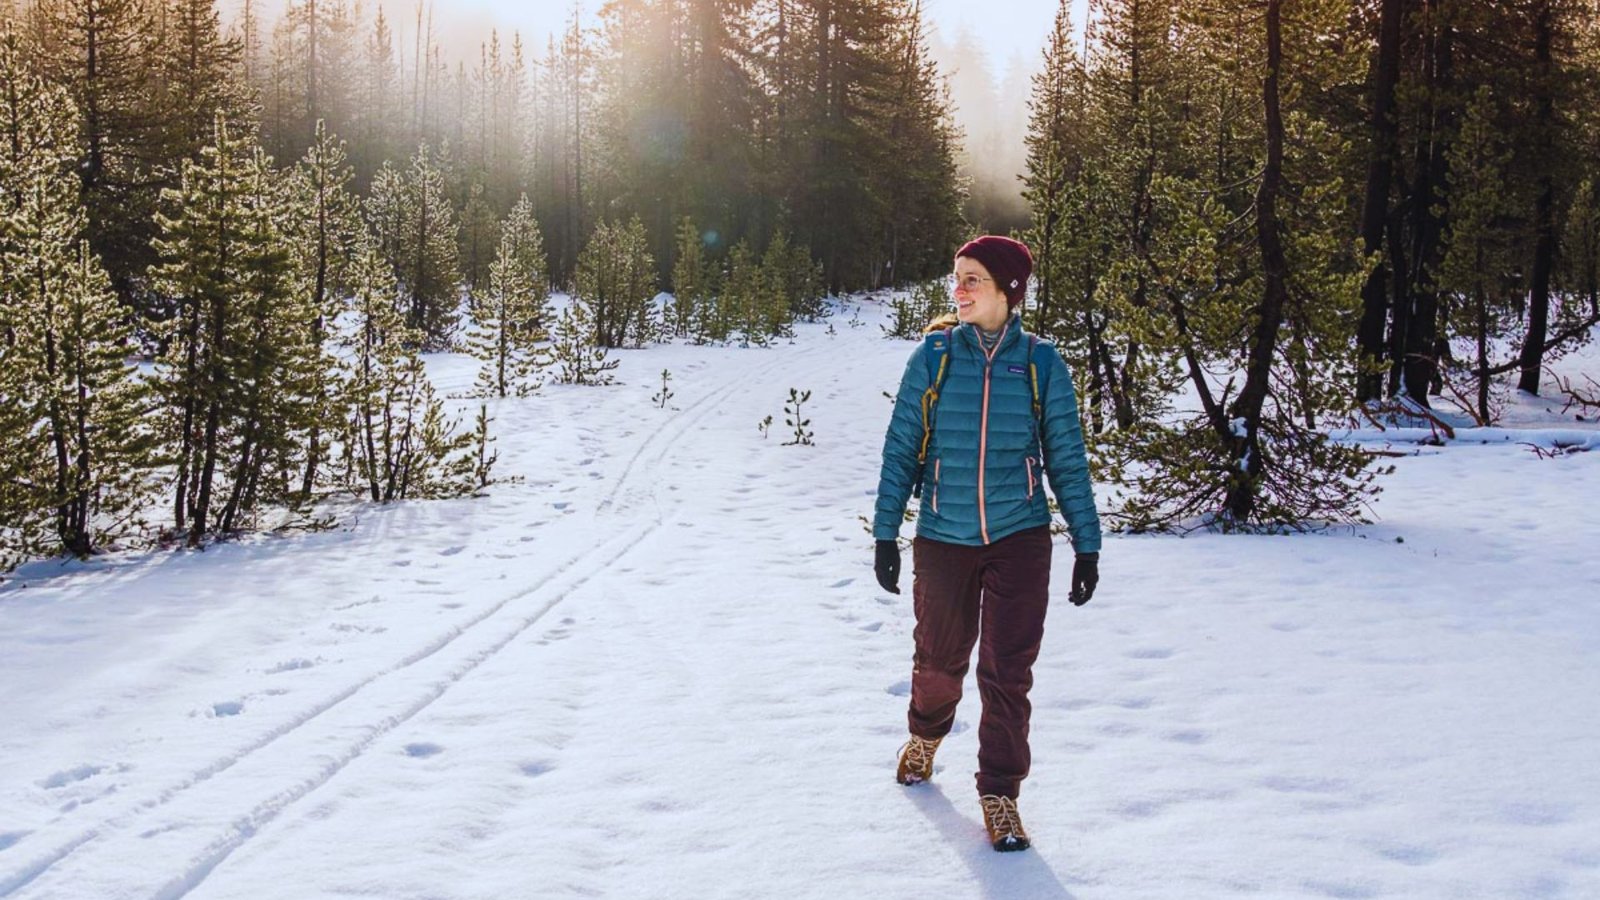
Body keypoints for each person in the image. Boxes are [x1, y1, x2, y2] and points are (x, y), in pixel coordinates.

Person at [872, 235, 1102, 852]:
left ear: (1009, 291)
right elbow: (902, 447)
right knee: (940, 662)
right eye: (957, 278)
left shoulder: (1041, 363)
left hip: (1020, 538)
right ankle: (925, 734)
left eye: (973, 279)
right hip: (944, 537)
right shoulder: (935, 356)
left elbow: (1067, 460)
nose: (960, 290)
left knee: (1008, 674)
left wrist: (1087, 544)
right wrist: (885, 532)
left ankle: (1000, 793)